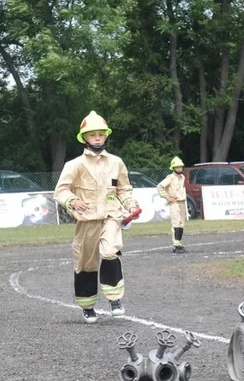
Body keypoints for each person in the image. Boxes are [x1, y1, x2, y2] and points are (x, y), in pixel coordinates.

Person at [54, 111, 139, 324]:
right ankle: (88, 306)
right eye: (93, 134)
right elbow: (61, 191)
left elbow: (124, 189)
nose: (98, 137)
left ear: (106, 136)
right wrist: (72, 201)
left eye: (101, 134)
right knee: (86, 263)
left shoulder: (116, 162)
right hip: (86, 221)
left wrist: (131, 205)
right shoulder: (74, 165)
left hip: (111, 217)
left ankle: (115, 299)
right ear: (85, 137)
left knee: (110, 250)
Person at [156, 156, 187, 253]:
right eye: (177, 167)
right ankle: (175, 245)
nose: (179, 169)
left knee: (182, 223)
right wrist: (166, 196)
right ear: (173, 168)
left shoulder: (182, 177)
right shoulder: (170, 178)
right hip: (174, 203)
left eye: (180, 167)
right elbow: (160, 186)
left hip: (182, 202)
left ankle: (179, 243)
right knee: (176, 222)